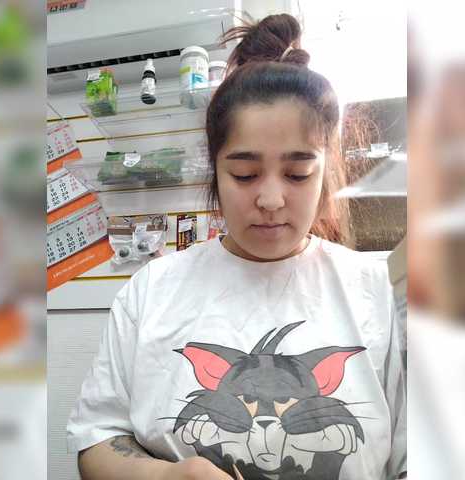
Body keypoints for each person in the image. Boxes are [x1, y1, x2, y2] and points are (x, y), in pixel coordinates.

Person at [67, 13, 406, 480]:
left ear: (325, 169)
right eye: (245, 174)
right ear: (216, 171)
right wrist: (168, 477)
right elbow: (95, 441)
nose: (270, 199)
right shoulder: (151, 292)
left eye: (297, 174)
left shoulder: (381, 292)